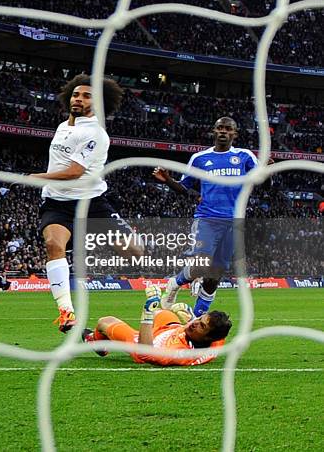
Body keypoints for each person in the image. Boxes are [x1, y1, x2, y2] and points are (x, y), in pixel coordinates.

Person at [29, 74, 142, 333]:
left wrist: (33, 177)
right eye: (76, 94)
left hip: (91, 204)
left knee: (136, 252)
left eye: (86, 96)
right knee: (53, 245)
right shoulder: (62, 127)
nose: (78, 99)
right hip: (57, 203)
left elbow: (74, 172)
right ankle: (67, 312)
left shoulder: (96, 134)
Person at [153, 117, 259, 316]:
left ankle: (197, 317)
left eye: (228, 129)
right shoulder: (200, 158)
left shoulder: (245, 156)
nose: (223, 132)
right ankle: (175, 282)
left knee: (214, 276)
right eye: (220, 127)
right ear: (214, 130)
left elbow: (263, 183)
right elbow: (184, 187)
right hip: (207, 220)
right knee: (202, 264)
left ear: (235, 134)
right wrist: (167, 179)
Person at [82, 285, 232, 366]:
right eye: (200, 319)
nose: (196, 323)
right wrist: (191, 318)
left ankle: (95, 342)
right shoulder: (216, 338)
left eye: (202, 326)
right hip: (172, 329)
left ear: (207, 337)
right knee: (163, 312)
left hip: (147, 343)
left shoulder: (179, 353)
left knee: (105, 321)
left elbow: (145, 353)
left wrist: (147, 312)